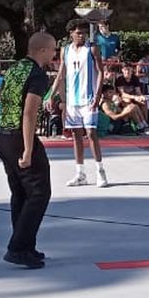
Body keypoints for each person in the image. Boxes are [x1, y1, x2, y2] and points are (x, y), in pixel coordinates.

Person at [0, 31, 57, 269]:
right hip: (19, 138)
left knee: (20, 192)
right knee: (39, 192)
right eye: (52, 50)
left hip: (2, 136)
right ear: (41, 50)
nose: (54, 54)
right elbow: (30, 112)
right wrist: (29, 149)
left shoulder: (15, 68)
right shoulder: (37, 74)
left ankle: (25, 245)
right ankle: (18, 248)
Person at [56, 22, 107, 187]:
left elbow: (101, 72)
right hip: (73, 101)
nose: (82, 35)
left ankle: (100, 171)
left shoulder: (92, 49)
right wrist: (51, 95)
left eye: (84, 33)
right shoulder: (65, 50)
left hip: (89, 99)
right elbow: (61, 74)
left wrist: (97, 96)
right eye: (78, 33)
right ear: (71, 33)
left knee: (91, 133)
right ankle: (80, 174)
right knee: (76, 136)